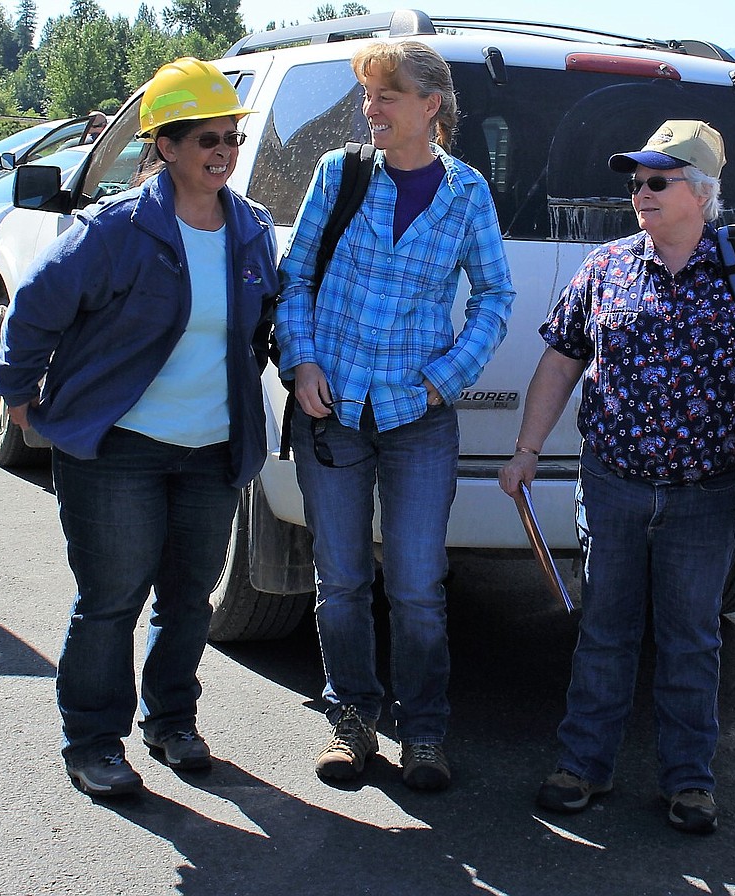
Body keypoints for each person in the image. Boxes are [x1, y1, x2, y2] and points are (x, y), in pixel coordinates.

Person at [0, 57, 279, 797]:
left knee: (189, 600)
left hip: (212, 451)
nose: (221, 150)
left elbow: (264, 328)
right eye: (202, 137)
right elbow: (33, 312)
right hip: (119, 453)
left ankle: (171, 720)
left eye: (231, 138)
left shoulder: (248, 232)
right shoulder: (113, 231)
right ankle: (93, 740)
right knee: (111, 600)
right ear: (164, 146)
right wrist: (18, 395)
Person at [499, 120, 735, 833]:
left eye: (657, 180)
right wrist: (527, 449)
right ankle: (583, 765)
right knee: (605, 629)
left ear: (701, 190)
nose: (640, 192)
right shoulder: (605, 268)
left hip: (707, 492)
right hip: (613, 485)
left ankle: (690, 781)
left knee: (692, 637)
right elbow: (562, 360)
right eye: (635, 181)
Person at [273, 40, 514, 792]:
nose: (369, 109)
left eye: (386, 95)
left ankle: (425, 733)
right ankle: (352, 719)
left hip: (418, 419)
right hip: (333, 411)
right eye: (368, 96)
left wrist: (446, 379)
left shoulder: (468, 193)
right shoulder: (339, 175)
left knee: (415, 586)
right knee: (341, 581)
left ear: (430, 107)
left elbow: (495, 297)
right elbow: (297, 278)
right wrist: (302, 362)